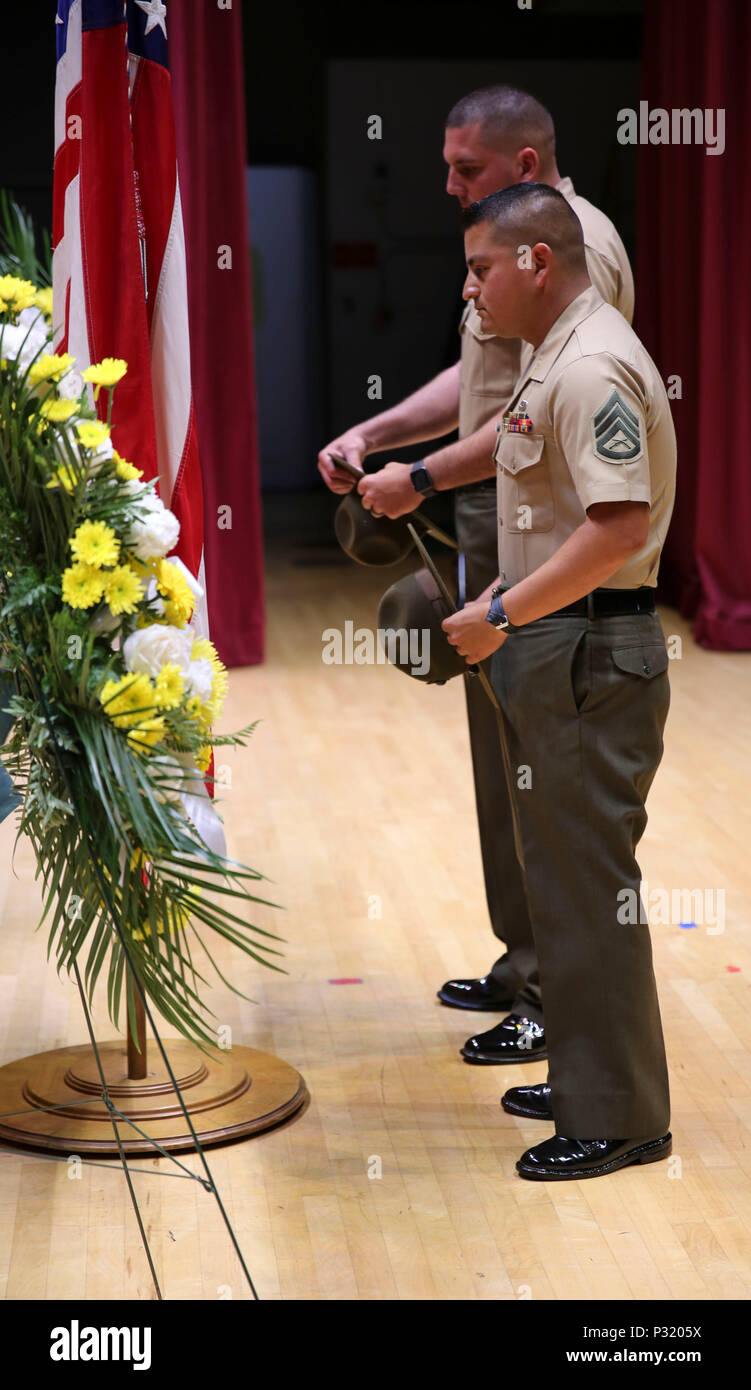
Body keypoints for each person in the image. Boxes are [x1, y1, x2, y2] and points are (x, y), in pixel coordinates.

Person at [318, 86, 634, 1065]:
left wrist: (415, 477)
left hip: (550, 559)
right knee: (506, 774)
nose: (447, 184)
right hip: (493, 540)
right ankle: (523, 961)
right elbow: (481, 382)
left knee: (548, 781)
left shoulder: (574, 246)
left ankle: (556, 992)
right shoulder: (503, 243)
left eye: (466, 169)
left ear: (525, 166)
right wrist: (383, 432)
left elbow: (534, 414)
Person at [440, 182, 675, 1179]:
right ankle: (586, 1075)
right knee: (563, 885)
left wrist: (496, 613)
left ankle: (620, 1119)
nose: (471, 288)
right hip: (559, 640)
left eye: (482, 267)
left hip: (588, 651)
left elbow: (617, 525)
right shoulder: (556, 356)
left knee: (588, 890)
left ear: (538, 261)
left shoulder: (590, 365)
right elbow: (552, 509)